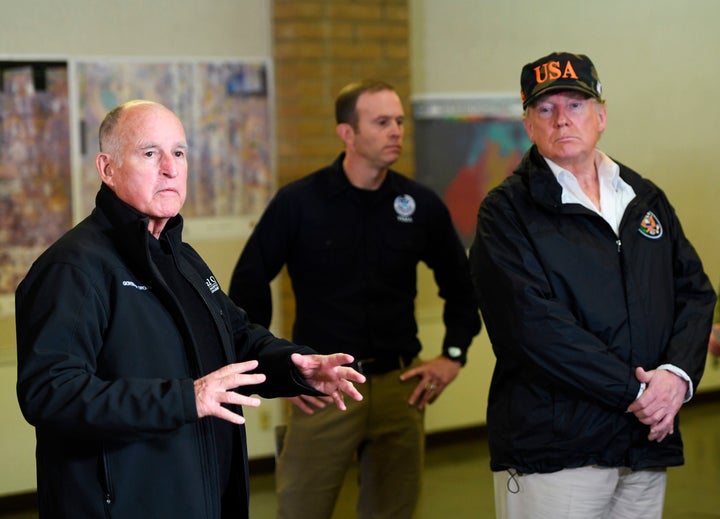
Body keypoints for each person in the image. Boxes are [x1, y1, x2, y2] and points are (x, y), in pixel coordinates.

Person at [15, 100, 366, 519]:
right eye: (150, 154)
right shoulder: (73, 268)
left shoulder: (182, 258)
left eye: (178, 153)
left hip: (204, 498)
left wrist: (293, 367)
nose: (170, 168)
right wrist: (186, 397)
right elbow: (51, 394)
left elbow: (236, 338)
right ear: (107, 168)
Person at [469, 52, 716, 518]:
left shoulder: (643, 198)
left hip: (644, 444)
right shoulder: (505, 213)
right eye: (546, 109)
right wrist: (636, 394)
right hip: (556, 451)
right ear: (528, 125)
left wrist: (676, 380)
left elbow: (695, 293)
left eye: (576, 104)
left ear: (601, 115)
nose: (562, 119)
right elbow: (532, 328)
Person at [228, 79, 481, 519]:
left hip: (398, 391)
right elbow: (247, 285)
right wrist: (277, 372)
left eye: (399, 121)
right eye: (382, 122)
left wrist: (453, 355)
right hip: (325, 387)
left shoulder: (418, 204)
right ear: (347, 133)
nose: (396, 131)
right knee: (300, 510)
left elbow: (463, 287)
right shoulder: (299, 203)